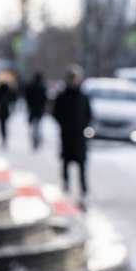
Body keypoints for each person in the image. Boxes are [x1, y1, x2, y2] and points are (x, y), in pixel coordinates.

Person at [53, 64, 92, 197]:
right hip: (67, 135)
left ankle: (83, 186)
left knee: (81, 162)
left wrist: (84, 127)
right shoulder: (63, 96)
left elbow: (88, 114)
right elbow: (56, 113)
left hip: (80, 135)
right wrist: (64, 125)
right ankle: (66, 184)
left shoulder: (83, 96)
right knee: (66, 161)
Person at [25, 73, 47, 150]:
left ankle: (36, 141)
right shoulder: (41, 88)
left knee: (35, 127)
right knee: (37, 127)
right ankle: (36, 141)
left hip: (34, 110)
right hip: (37, 110)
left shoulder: (33, 88)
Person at [0, 82, 13, 148]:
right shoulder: (8, 92)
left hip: (2, 111)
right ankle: (4, 138)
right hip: (5, 111)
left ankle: (3, 138)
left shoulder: (0, 92)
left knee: (2, 125)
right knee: (4, 125)